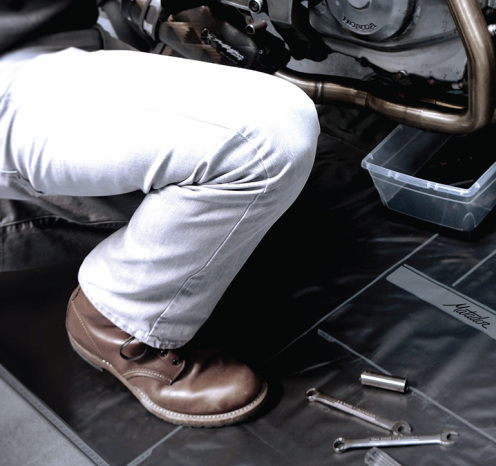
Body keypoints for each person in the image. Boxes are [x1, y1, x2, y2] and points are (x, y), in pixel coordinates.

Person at [0, 0, 320, 427]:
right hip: (13, 73)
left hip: (71, 37)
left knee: (205, 196)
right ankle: (116, 318)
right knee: (267, 140)